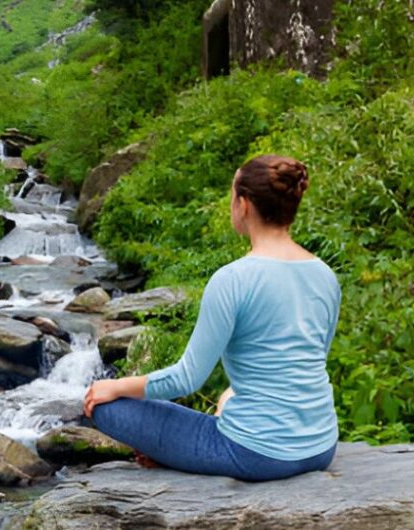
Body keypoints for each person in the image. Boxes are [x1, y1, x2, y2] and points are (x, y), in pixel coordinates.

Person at [83, 154, 340, 482]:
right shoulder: (324, 275)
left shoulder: (232, 279)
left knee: (105, 407)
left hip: (256, 454)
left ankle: (176, 453)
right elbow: (309, 361)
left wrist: (114, 386)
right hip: (321, 447)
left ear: (243, 205)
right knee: (227, 396)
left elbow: (186, 379)